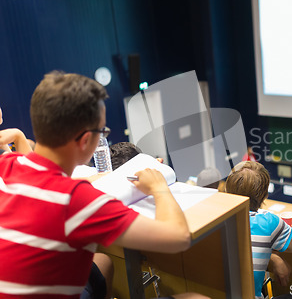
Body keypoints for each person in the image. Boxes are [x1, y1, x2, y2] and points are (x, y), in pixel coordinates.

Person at [0, 72, 207, 299]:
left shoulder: (6, 165)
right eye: (102, 132)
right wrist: (159, 188)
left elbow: (38, 179)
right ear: (86, 140)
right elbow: (178, 237)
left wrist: (19, 136)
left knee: (103, 263)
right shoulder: (77, 201)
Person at [224, 161, 292, 299]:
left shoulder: (216, 218)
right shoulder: (268, 222)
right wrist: (275, 256)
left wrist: (272, 258)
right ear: (265, 195)